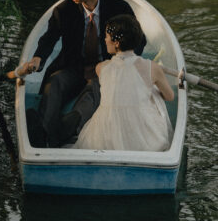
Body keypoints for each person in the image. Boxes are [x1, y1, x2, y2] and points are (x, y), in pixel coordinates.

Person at [17, 0, 142, 147]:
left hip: (105, 68)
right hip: (73, 67)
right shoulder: (64, 10)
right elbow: (50, 37)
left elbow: (139, 40)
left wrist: (124, 64)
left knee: (94, 90)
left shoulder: (119, 9)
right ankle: (44, 131)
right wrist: (37, 58)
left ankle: (71, 127)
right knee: (55, 82)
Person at [75, 14, 174, 152]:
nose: (104, 39)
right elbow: (169, 96)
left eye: (106, 36)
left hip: (104, 135)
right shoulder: (152, 67)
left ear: (116, 43)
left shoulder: (101, 68)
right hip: (142, 138)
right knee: (153, 91)